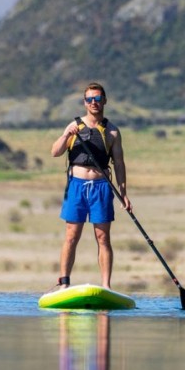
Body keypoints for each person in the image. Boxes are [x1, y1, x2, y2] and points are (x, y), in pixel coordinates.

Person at [50, 82, 132, 289]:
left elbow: (119, 163)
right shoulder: (74, 125)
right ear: (84, 102)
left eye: (97, 99)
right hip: (76, 186)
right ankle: (64, 284)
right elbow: (55, 152)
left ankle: (106, 286)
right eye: (90, 99)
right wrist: (66, 134)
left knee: (103, 236)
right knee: (71, 235)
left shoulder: (112, 132)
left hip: (101, 187)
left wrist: (123, 193)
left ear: (104, 101)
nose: (94, 103)